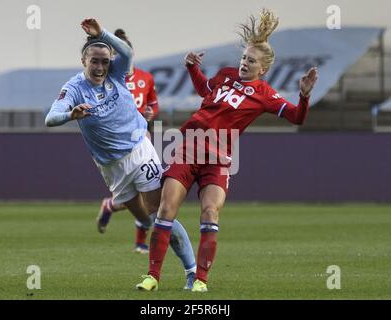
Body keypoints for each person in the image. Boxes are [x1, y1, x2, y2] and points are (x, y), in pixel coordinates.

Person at [136, 9, 318, 292]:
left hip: (219, 158)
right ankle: (152, 277)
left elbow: (297, 118)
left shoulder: (265, 94)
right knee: (166, 207)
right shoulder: (226, 75)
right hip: (187, 147)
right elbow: (203, 90)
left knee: (210, 212)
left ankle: (200, 281)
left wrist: (304, 97)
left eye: (251, 61)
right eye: (244, 58)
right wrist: (192, 68)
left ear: (263, 69)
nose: (245, 63)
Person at [45, 18, 196, 290]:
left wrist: (102, 33)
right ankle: (135, 223)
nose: (101, 66)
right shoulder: (74, 88)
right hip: (111, 168)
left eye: (105, 61)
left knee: (160, 212)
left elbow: (126, 52)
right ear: (83, 61)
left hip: (139, 149)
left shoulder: (117, 73)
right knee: (145, 219)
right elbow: (50, 118)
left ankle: (192, 272)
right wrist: (70, 114)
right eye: (95, 61)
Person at [96, 29, 160, 256]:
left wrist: (152, 113)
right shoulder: (108, 81)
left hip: (141, 136)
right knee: (138, 194)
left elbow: (153, 103)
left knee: (149, 190)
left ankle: (139, 240)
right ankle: (113, 206)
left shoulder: (146, 78)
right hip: (117, 144)